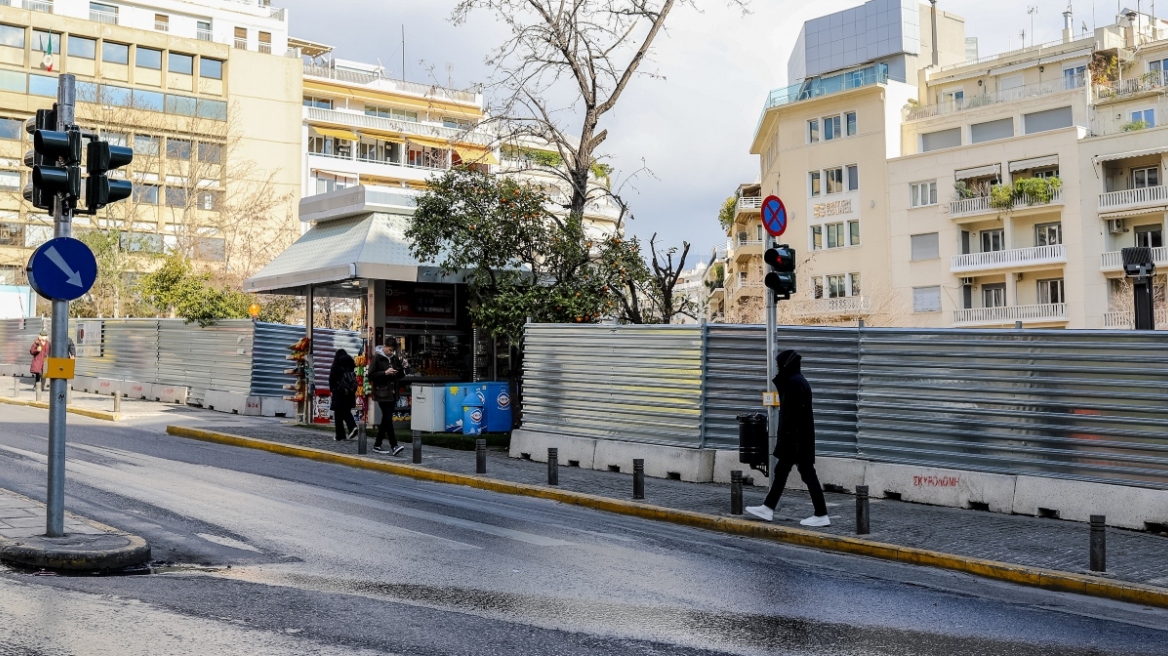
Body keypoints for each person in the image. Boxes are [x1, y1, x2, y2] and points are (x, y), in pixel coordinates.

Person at [746, 349, 831, 527]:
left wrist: (785, 440)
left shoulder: (794, 383)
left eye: (779, 365)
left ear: (786, 365)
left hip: (795, 441)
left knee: (806, 474)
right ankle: (768, 507)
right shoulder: (798, 381)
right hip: (798, 439)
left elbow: (791, 417)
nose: (777, 369)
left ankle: (821, 514)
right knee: (783, 472)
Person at [369, 337, 405, 455]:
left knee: (386, 419)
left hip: (393, 393)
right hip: (382, 393)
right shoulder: (377, 358)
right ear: (384, 347)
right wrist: (385, 373)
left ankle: (377, 444)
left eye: (392, 350)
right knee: (388, 417)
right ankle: (394, 445)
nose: (391, 352)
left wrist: (401, 369)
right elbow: (371, 375)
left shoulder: (394, 358)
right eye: (389, 350)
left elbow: (401, 375)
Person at [329, 348, 358, 442]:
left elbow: (331, 380)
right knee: (345, 411)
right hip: (350, 393)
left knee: (338, 414)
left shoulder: (336, 366)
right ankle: (351, 428)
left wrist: (332, 390)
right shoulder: (351, 366)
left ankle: (342, 434)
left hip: (339, 393)